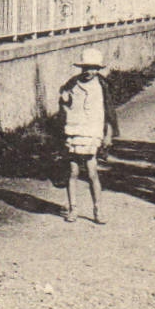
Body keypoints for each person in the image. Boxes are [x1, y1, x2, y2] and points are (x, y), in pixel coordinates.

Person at [58, 48, 119, 224]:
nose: (88, 72)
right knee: (73, 171)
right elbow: (64, 105)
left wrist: (108, 133)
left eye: (93, 68)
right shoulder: (72, 84)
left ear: (98, 69)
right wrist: (64, 102)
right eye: (85, 68)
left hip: (92, 132)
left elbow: (108, 112)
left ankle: (97, 209)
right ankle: (73, 209)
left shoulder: (102, 86)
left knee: (92, 172)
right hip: (74, 131)